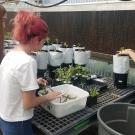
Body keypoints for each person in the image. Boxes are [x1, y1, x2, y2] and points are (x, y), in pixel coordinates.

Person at [0, 10, 61, 135]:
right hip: (18, 123)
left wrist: (34, 82)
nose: (43, 45)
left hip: (5, 117)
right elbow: (29, 104)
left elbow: (13, 82)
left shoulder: (11, 54)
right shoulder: (28, 62)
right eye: (43, 41)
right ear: (35, 40)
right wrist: (48, 97)